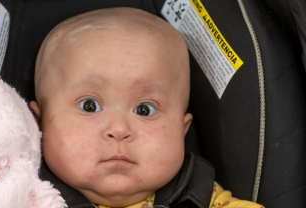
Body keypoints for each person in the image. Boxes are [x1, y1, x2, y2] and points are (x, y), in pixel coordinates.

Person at [29, 7, 264, 208]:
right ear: (38, 124)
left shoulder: (201, 195)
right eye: (89, 106)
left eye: (145, 110)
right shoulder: (22, 195)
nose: (119, 129)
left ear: (181, 131)